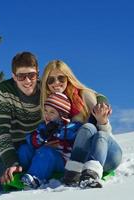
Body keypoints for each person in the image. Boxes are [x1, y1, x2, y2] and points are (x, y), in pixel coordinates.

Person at [40, 60, 122, 188]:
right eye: (51, 80)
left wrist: (101, 120)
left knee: (88, 127)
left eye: (61, 78)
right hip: (79, 159)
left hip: (106, 152)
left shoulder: (84, 96)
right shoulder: (50, 106)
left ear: (68, 78)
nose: (56, 83)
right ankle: (74, 173)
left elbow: (105, 134)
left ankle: (91, 173)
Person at [0, 51, 42, 191]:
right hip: (9, 140)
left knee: (35, 180)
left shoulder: (45, 88)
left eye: (31, 75)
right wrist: (11, 162)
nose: (27, 81)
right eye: (21, 76)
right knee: (7, 185)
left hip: (34, 141)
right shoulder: (4, 91)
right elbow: (0, 131)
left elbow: (78, 90)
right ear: (14, 77)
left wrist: (100, 101)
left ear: (37, 73)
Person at [19, 92, 82, 188]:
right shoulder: (43, 126)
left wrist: (58, 134)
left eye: (52, 112)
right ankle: (21, 172)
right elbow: (30, 140)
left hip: (62, 162)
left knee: (46, 152)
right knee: (24, 149)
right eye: (45, 111)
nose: (47, 115)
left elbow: (78, 141)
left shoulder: (71, 128)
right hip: (42, 157)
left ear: (62, 115)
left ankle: (35, 179)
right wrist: (40, 137)